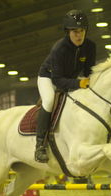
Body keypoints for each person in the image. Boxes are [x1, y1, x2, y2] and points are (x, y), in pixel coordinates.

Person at [35, 9, 96, 163]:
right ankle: (40, 146)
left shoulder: (90, 46)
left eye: (82, 30)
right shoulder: (59, 49)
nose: (79, 35)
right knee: (49, 101)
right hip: (48, 77)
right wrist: (79, 83)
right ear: (68, 32)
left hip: (70, 78)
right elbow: (57, 80)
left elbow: (89, 71)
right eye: (75, 31)